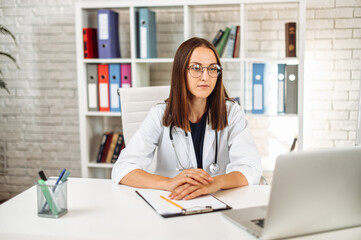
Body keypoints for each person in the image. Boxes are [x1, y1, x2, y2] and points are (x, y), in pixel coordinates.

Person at [112, 37, 262, 200]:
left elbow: (250, 168)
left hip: (220, 201)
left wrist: (215, 183)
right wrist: (168, 183)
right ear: (180, 72)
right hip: (172, 201)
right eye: (196, 68)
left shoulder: (232, 113)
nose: (206, 76)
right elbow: (123, 169)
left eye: (212, 68)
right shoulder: (159, 115)